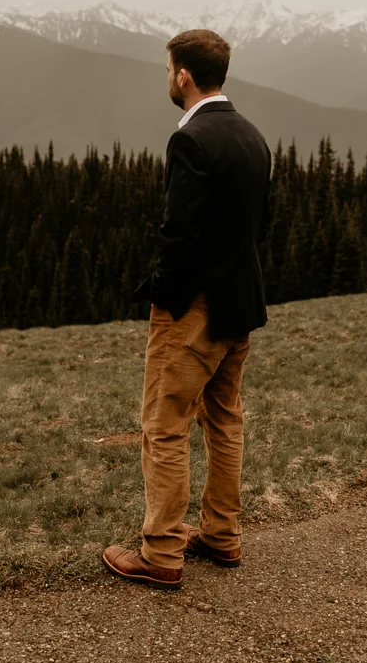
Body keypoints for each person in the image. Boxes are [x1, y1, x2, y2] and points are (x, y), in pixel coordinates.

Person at [102, 29, 273, 590]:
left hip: (194, 307)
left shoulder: (191, 140)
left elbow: (180, 234)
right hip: (241, 302)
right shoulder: (252, 135)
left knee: (164, 424)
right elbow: (259, 226)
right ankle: (221, 534)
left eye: (168, 68)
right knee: (224, 417)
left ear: (183, 75)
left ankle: (161, 552)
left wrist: (163, 296)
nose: (167, 77)